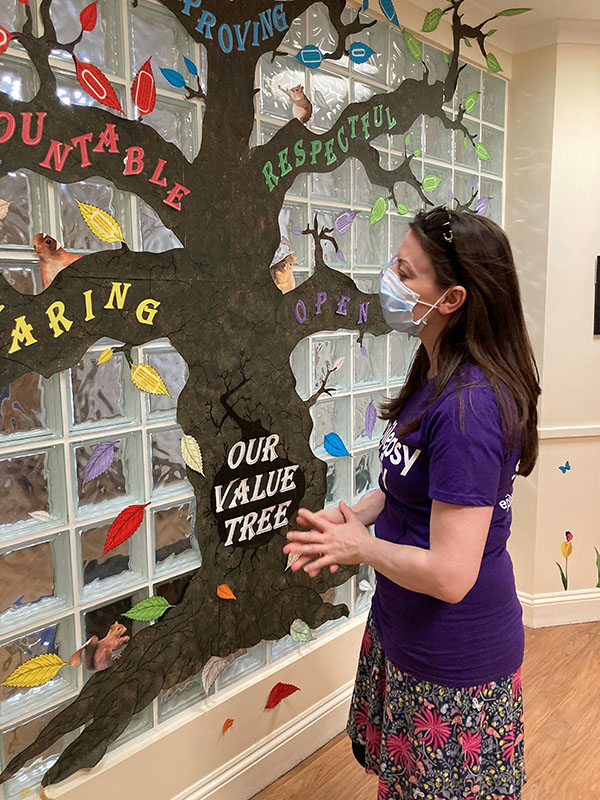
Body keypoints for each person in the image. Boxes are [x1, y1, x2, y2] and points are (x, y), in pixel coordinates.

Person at [283, 206, 541, 800]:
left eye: (406, 271)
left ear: (451, 298)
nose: (389, 279)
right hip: (407, 626)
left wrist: (362, 548)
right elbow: (410, 481)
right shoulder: (436, 365)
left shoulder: (470, 407)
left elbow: (452, 575)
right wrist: (359, 517)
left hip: (454, 657)